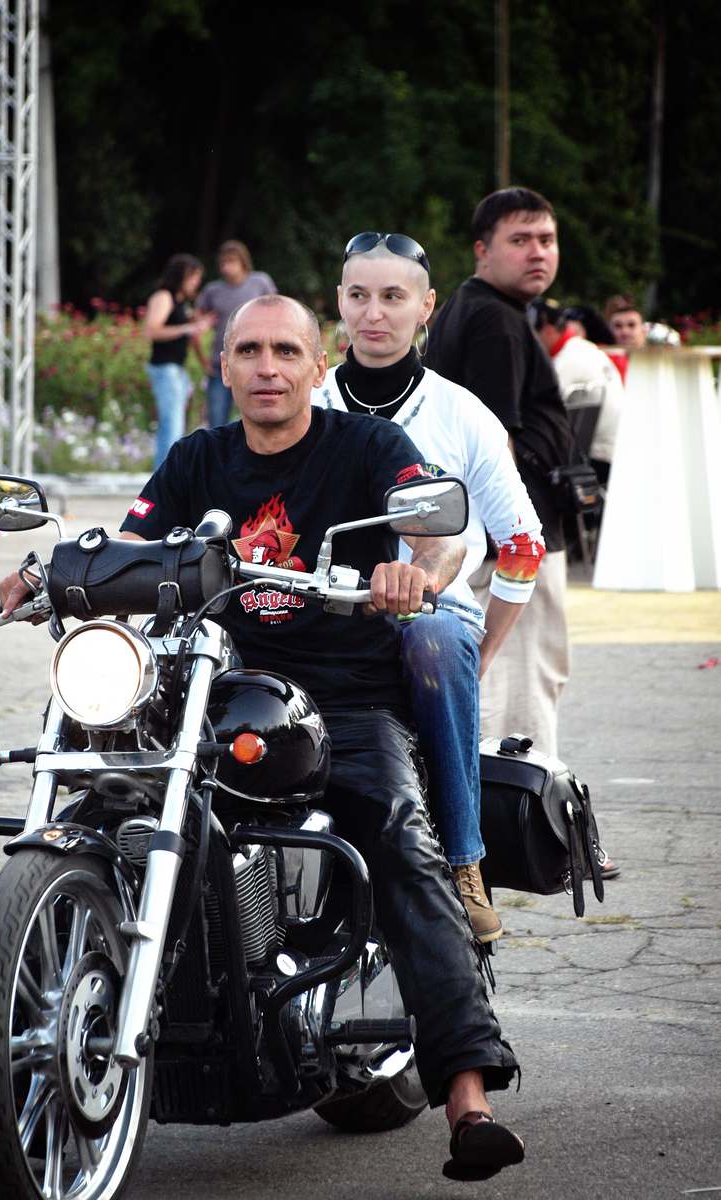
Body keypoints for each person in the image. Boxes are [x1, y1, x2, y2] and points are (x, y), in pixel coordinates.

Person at [0, 293, 525, 1181]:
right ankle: (2, 1076)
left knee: (399, 838)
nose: (267, 367)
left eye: (285, 351)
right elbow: (128, 546)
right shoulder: (198, 458)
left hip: (345, 697)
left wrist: (416, 573)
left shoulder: (368, 446)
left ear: (318, 366)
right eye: (248, 351)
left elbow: (441, 540)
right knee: (92, 807)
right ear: (226, 367)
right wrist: (44, 571)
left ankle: (469, 1094)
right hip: (212, 688)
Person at [312, 231, 545, 943]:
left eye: (393, 296)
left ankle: (464, 860)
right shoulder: (304, 399)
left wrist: (484, 655)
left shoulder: (462, 414)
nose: (373, 313)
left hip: (433, 617)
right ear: (339, 302)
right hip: (315, 612)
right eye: (359, 295)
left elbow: (523, 545)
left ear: (427, 307)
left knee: (436, 639)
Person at [425, 187, 573, 766]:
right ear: (482, 250)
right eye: (520, 240)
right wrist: (509, 543)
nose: (538, 252)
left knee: (514, 683)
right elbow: (496, 441)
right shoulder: (495, 320)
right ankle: (524, 814)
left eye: (547, 240)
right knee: (521, 690)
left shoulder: (478, 307)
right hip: (510, 541)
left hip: (487, 536)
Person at [532, 299, 625, 484]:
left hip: (599, 457)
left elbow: (538, 409)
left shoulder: (566, 361)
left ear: (548, 330)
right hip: (617, 449)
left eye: (532, 334)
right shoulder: (582, 347)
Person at [143, 253, 214, 467]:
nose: (196, 283)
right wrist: (188, 327)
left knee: (176, 426)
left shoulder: (182, 303)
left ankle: (166, 473)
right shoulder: (164, 297)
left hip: (176, 369)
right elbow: (151, 330)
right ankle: (164, 477)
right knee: (171, 426)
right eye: (193, 277)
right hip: (165, 368)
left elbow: (190, 335)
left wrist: (205, 363)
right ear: (182, 276)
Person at [197, 240, 276, 426]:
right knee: (217, 421)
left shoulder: (260, 282)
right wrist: (202, 360)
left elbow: (277, 312)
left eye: (231, 262)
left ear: (243, 262)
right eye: (223, 263)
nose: (226, 267)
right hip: (221, 363)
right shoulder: (213, 290)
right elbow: (197, 325)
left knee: (258, 418)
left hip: (255, 361)